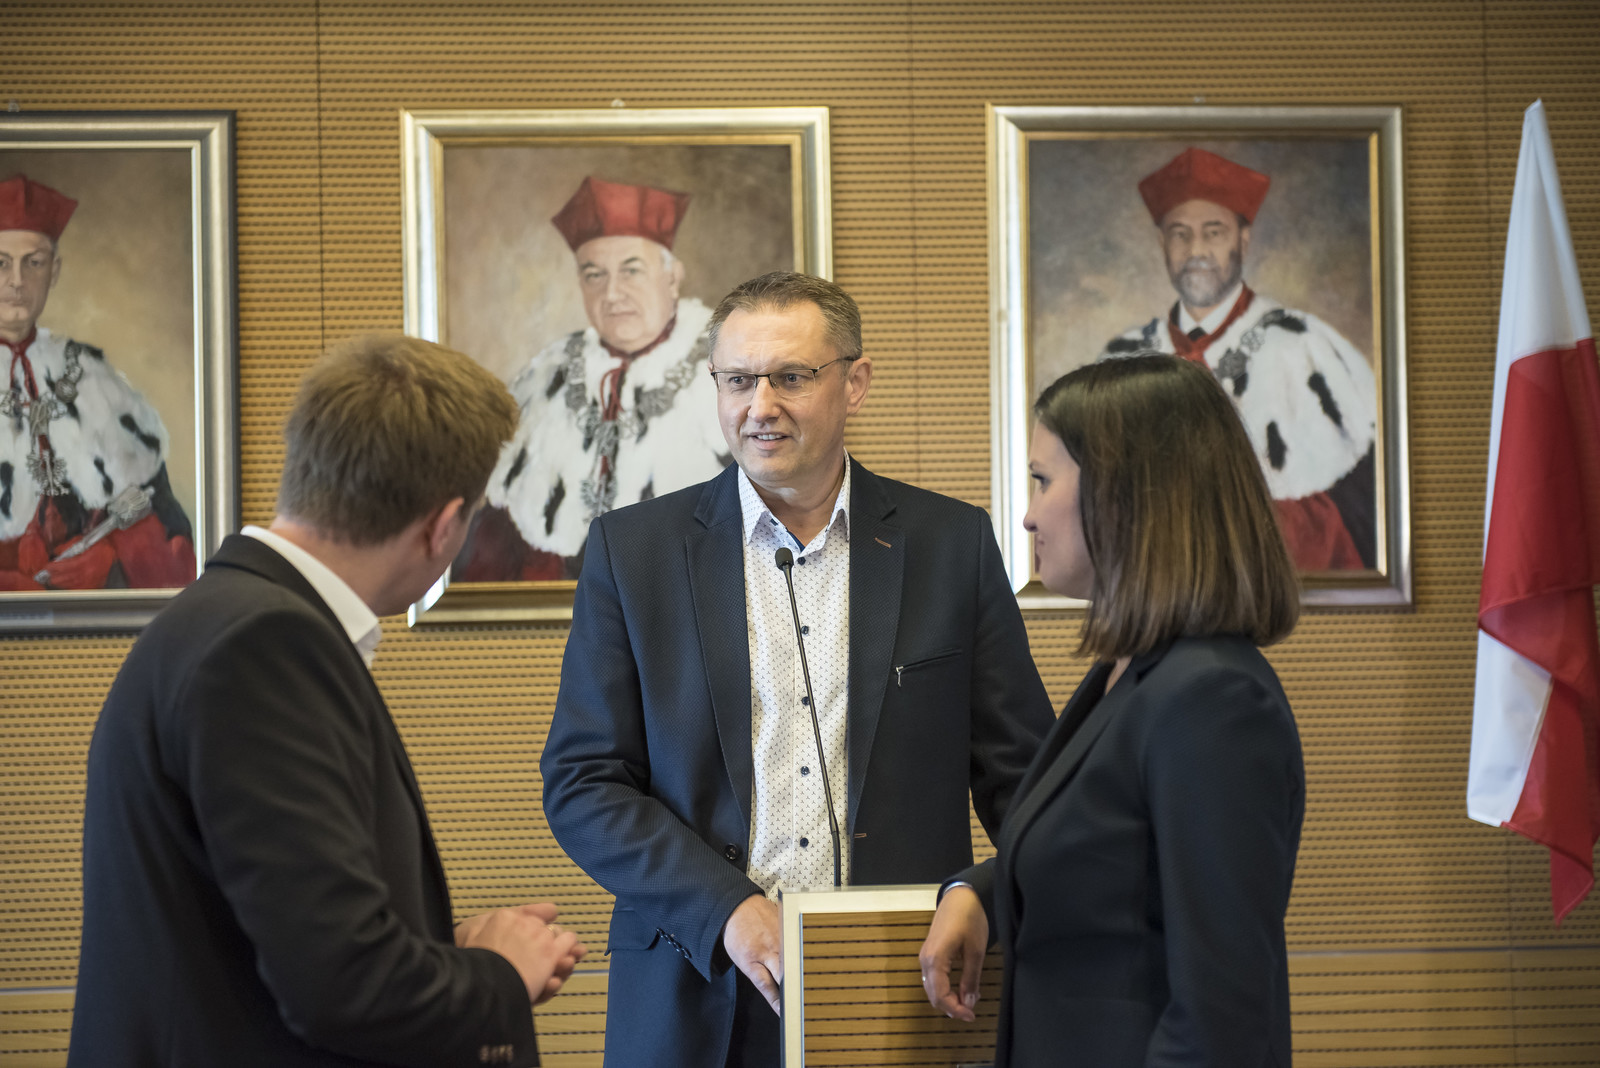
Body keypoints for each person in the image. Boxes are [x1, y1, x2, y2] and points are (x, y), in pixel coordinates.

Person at [541, 271, 1055, 1067]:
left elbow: (1033, 788)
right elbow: (584, 782)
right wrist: (727, 909)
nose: (760, 406)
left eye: (790, 377)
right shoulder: (632, 551)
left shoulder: (952, 544)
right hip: (695, 983)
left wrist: (982, 894)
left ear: (855, 383)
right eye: (738, 380)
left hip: (898, 988)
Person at [69, 334, 586, 1068]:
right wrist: (498, 975)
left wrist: (437, 955)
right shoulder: (264, 646)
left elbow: (273, 936)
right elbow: (342, 989)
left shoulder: (227, 618)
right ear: (442, 526)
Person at [919, 354, 1305, 1066]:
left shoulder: (1212, 700)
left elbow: (1220, 1019)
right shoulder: (1129, 678)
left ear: (1123, 493)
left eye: (1043, 481)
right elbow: (1110, 866)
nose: (1028, 514)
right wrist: (980, 891)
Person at [1098, 146, 1379, 571]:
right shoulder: (1122, 357)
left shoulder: (1303, 345)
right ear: (1161, 244)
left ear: (1243, 241)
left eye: (1213, 233)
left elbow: (1347, 518)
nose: (1196, 249)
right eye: (1179, 234)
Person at [454, 175, 730, 582]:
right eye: (594, 274)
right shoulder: (545, 377)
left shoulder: (731, 370)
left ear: (672, 278)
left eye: (631, 271)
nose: (612, 293)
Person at [0, 173, 195, 591]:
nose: (16, 281)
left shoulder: (91, 374)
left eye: (33, 262)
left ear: (54, 271)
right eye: (1, 262)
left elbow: (164, 520)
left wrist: (109, 557)